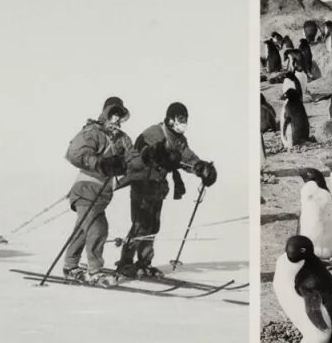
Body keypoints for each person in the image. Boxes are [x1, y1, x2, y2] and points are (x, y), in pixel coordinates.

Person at [116, 102, 217, 278]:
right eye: (180, 119)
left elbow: (187, 157)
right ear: (170, 120)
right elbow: (137, 160)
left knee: (154, 226)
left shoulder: (179, 139)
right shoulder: (152, 134)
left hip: (158, 186)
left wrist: (201, 167)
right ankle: (125, 263)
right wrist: (158, 158)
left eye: (186, 119)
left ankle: (144, 263)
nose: (184, 123)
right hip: (142, 183)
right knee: (141, 225)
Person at [62, 97, 133, 285]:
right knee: (97, 227)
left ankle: (70, 266)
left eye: (120, 115)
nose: (116, 119)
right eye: (113, 114)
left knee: (84, 230)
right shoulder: (92, 132)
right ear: (105, 113)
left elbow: (133, 160)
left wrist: (150, 157)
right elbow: (75, 153)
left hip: (103, 194)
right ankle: (94, 271)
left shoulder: (123, 139)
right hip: (86, 188)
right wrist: (101, 163)